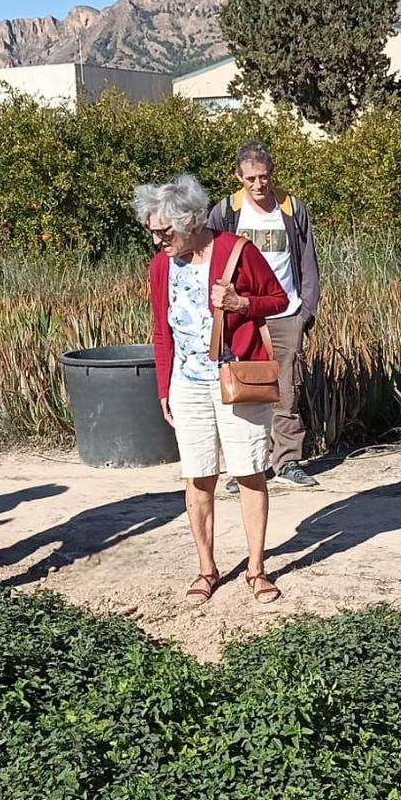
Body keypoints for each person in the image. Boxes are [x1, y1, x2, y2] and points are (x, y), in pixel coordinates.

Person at [139, 173, 287, 605]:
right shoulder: (161, 265)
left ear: (188, 222)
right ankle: (207, 569)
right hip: (187, 385)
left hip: (237, 380)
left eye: (164, 233)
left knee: (248, 473)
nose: (159, 242)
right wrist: (163, 387)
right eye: (153, 234)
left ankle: (257, 569)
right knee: (198, 477)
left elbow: (278, 300)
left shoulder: (237, 252)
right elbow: (161, 330)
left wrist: (243, 304)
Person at [207, 139, 322, 491]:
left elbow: (307, 261)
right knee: (245, 388)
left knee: (287, 388)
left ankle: (287, 460)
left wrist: (306, 309)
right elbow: (211, 258)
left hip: (285, 310)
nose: (260, 185)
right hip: (241, 314)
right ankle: (248, 466)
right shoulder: (226, 212)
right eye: (252, 178)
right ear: (238, 177)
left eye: (265, 177)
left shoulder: (291, 209)